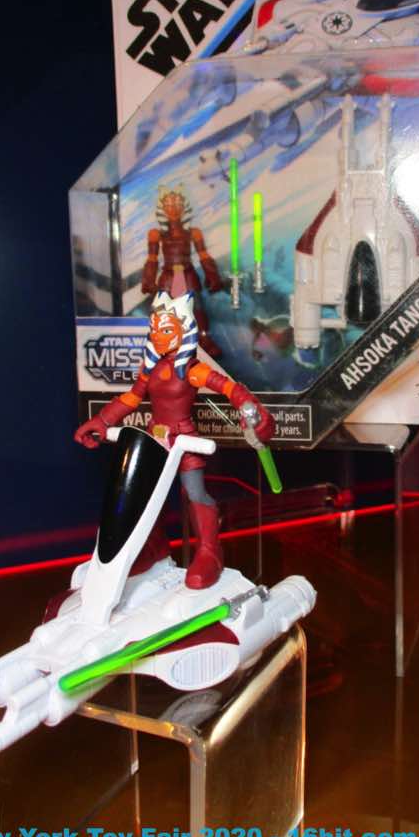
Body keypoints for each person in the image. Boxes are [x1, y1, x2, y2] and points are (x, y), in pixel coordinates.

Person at [75, 290, 274, 590]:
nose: (158, 336)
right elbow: (132, 397)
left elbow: (229, 388)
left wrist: (248, 407)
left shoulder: (192, 370)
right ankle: (154, 547)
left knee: (195, 493)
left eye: (166, 330)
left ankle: (209, 552)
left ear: (184, 331)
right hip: (155, 439)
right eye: (155, 329)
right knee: (146, 495)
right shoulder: (151, 368)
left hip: (185, 441)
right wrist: (102, 421)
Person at [142, 187, 223, 358]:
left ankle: (204, 339)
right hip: (168, 277)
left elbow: (203, 254)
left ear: (184, 206)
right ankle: (165, 343)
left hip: (188, 275)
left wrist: (212, 275)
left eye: (177, 203)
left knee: (197, 308)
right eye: (169, 204)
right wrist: (149, 280)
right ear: (162, 207)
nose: (173, 207)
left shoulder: (194, 232)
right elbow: (152, 258)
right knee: (164, 312)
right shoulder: (156, 234)